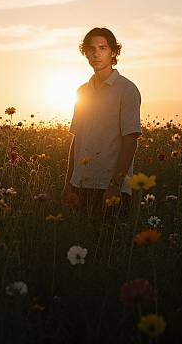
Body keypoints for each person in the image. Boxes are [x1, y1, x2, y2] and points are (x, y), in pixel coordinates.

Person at [61, 27, 141, 222]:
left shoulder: (127, 90)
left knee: (108, 246)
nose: (96, 53)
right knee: (82, 244)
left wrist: (115, 184)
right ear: (85, 53)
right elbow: (77, 139)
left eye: (102, 48)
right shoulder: (82, 91)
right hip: (81, 184)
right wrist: (68, 182)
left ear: (113, 52)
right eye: (91, 49)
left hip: (109, 186)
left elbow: (130, 140)